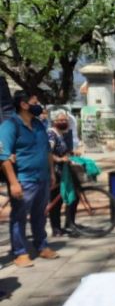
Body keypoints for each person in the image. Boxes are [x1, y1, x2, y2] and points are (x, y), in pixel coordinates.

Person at [0, 91, 58, 267]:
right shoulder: (10, 126)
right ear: (24, 105)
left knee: (40, 214)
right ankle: (20, 252)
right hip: (24, 179)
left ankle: (42, 245)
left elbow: (47, 150)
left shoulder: (39, 124)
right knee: (19, 217)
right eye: (35, 101)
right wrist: (13, 182)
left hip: (42, 178)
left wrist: (52, 172)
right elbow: (3, 157)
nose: (38, 104)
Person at [47, 109, 78, 237]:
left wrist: (71, 154)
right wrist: (59, 159)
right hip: (55, 171)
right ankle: (56, 228)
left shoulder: (61, 134)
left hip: (64, 171)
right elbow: (47, 152)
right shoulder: (51, 134)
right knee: (56, 201)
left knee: (73, 196)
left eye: (65, 120)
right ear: (54, 121)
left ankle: (69, 223)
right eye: (60, 120)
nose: (64, 122)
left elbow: (62, 151)